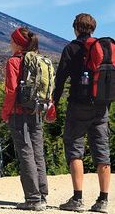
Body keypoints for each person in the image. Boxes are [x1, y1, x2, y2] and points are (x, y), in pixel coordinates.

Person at [53, 13, 111, 213]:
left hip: (78, 105)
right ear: (93, 28)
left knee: (75, 150)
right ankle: (103, 201)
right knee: (102, 152)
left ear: (76, 28)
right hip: (102, 106)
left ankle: (77, 199)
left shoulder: (71, 49)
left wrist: (53, 102)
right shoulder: (104, 48)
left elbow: (60, 79)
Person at [1, 27, 48, 211]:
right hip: (35, 111)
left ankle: (33, 199)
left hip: (18, 113)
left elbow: (11, 91)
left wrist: (5, 113)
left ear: (18, 44)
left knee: (25, 153)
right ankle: (42, 196)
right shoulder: (38, 60)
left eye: (12, 41)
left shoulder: (13, 61)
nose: (10, 44)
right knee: (38, 152)